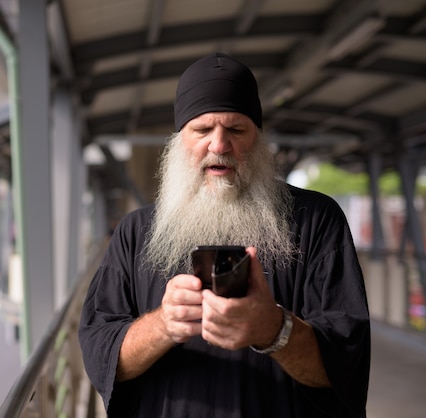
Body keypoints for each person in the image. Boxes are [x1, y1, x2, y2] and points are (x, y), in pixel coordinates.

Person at [78, 52, 370, 418]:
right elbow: (101, 356)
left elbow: (347, 360)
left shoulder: (316, 220)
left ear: (259, 138)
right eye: (202, 130)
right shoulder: (136, 232)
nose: (219, 145)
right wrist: (164, 325)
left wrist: (275, 330)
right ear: (179, 141)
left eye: (236, 129)